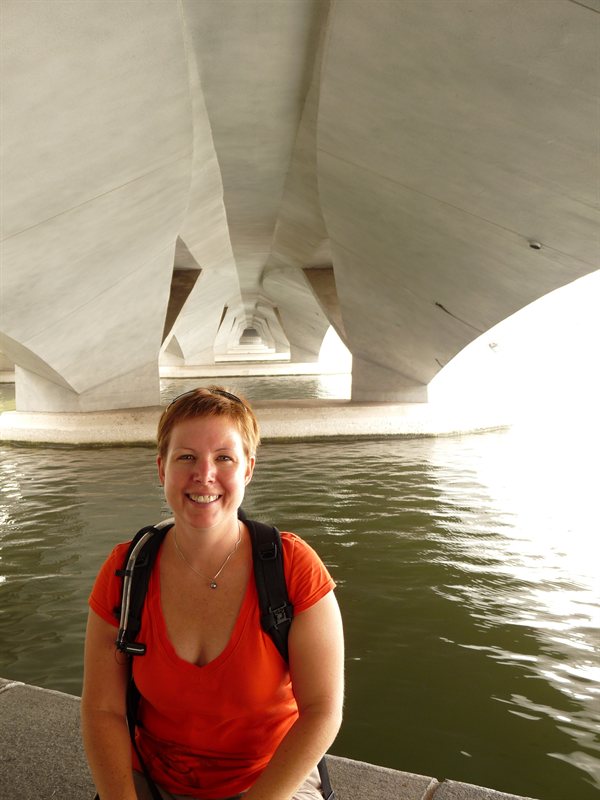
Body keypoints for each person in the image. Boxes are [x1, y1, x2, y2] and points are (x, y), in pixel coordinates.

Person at [81, 386, 344, 800]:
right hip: (151, 774)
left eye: (224, 458)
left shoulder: (293, 568)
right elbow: (103, 709)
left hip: (267, 781)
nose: (204, 475)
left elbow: (322, 711)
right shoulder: (124, 571)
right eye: (186, 457)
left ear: (248, 470)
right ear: (162, 470)